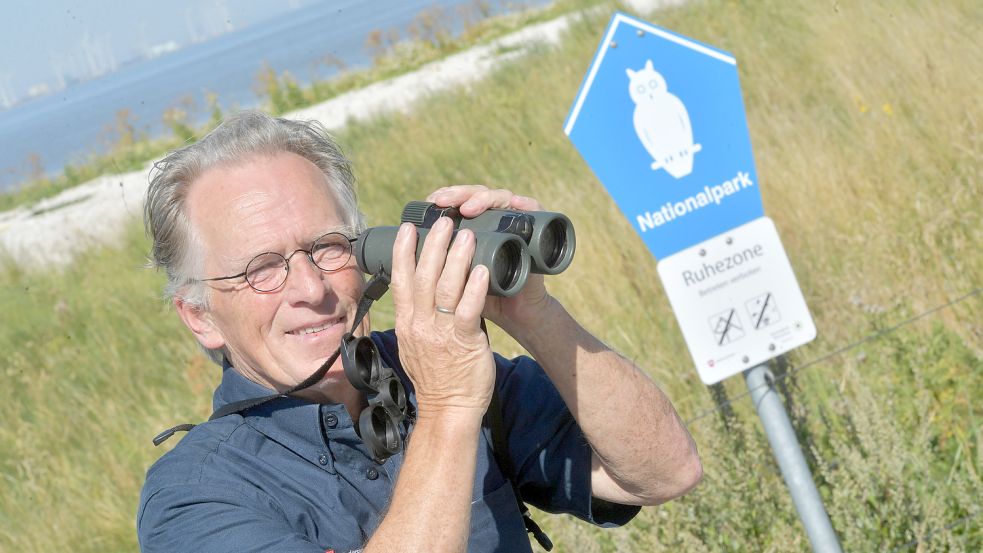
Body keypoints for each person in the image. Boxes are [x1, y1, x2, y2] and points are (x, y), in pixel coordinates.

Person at [137, 110, 702, 553]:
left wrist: (535, 314)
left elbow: (664, 472)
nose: (310, 288)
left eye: (329, 247)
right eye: (262, 268)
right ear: (201, 316)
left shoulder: (423, 366)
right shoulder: (194, 500)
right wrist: (450, 410)